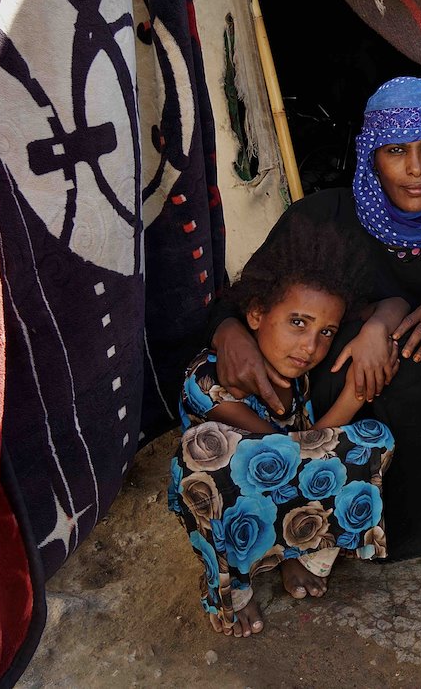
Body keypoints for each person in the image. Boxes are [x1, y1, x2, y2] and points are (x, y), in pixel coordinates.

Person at [209, 77, 421, 561]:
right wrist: (229, 333)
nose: (415, 169)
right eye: (394, 151)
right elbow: (242, 300)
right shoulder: (322, 217)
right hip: (324, 417)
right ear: (371, 156)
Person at [169, 217, 394, 637]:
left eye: (325, 332)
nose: (310, 346)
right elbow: (282, 453)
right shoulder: (209, 378)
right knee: (207, 451)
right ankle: (233, 586)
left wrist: (379, 328)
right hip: (231, 499)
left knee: (372, 441)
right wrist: (352, 399)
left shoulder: (297, 374)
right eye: (298, 322)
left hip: (288, 485)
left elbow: (393, 304)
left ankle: (299, 552)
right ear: (256, 314)